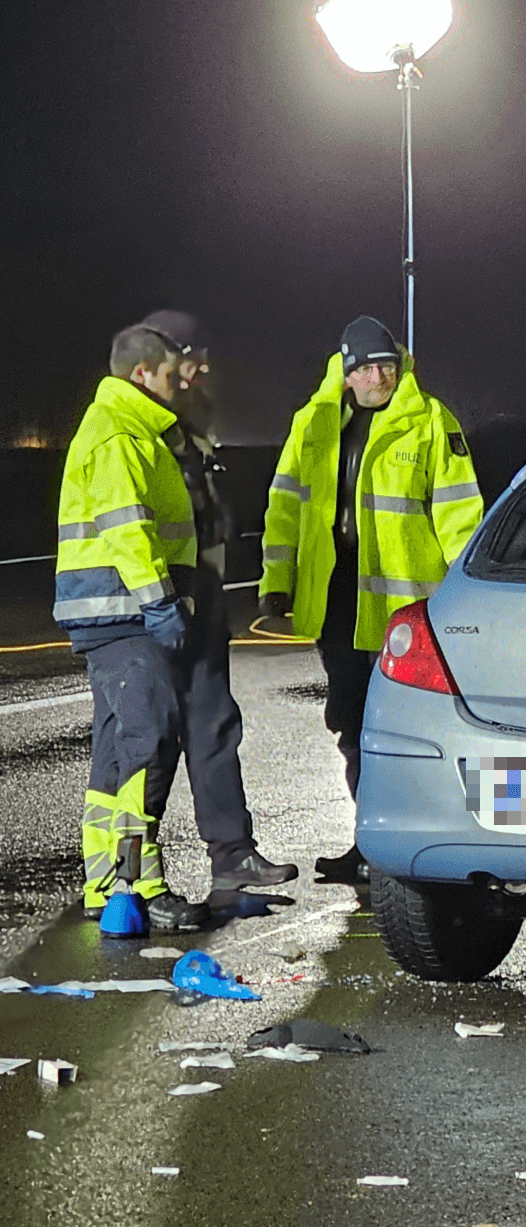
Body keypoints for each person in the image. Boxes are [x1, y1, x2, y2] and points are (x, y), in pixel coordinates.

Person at [258, 316, 482, 883]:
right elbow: (285, 504)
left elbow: (459, 513)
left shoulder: (431, 421)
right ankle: (369, 844)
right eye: (363, 366)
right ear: (346, 369)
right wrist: (275, 580)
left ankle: (419, 846)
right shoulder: (313, 424)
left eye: (385, 364)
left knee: (410, 729)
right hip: (336, 605)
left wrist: (470, 591)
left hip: (406, 612)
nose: (375, 375)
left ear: (398, 364)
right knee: (351, 723)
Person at [132, 311, 298, 896]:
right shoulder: (137, 430)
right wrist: (157, 600)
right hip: (156, 603)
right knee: (148, 739)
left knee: (214, 725)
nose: (202, 369)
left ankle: (232, 855)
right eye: (190, 358)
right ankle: (123, 872)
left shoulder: (190, 433)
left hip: (201, 599)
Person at [53, 324, 212, 931]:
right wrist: (160, 603)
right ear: (142, 373)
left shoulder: (126, 429)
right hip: (124, 612)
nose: (180, 384)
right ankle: (137, 882)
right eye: (171, 374)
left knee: (116, 752)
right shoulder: (119, 435)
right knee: (147, 743)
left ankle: (105, 882)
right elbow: (129, 530)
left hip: (114, 613)